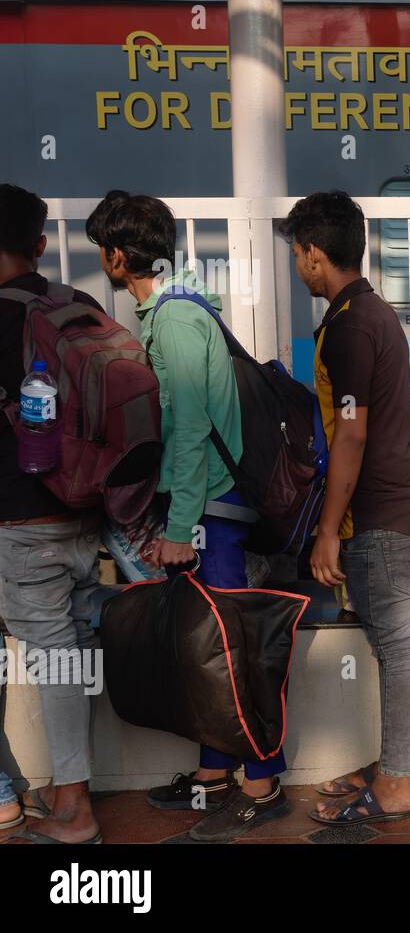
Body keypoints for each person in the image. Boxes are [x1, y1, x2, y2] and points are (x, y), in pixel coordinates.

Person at [87, 190, 290, 841]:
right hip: (205, 504)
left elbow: (192, 426)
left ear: (118, 256)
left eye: (104, 252)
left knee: (228, 646)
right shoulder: (172, 311)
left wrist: (179, 530)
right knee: (202, 647)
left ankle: (262, 780)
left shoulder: (173, 320)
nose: (104, 263)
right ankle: (212, 775)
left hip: (210, 509)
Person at [278, 192, 410, 829]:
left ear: (315, 254)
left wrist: (326, 531)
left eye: (296, 253)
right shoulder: (372, 312)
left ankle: (397, 782)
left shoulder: (349, 326)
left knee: (397, 646)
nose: (296, 265)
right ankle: (398, 766)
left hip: (376, 516)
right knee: (396, 645)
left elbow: (352, 433)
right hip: (393, 507)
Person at [0, 183, 103, 844]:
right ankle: (29, 794)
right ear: (40, 244)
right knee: (73, 655)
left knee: (56, 659)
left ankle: (71, 807)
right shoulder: (81, 307)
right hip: (85, 517)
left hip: (18, 522)